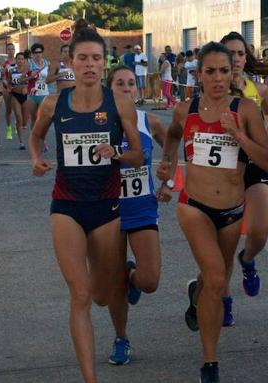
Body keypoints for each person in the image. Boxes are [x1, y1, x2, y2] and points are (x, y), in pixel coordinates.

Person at [28, 19, 143, 383]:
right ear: (71, 62)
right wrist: (36, 159)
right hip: (66, 206)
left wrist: (117, 153)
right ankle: (90, 378)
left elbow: (138, 155)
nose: (90, 65)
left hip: (107, 208)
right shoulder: (53, 103)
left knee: (102, 296)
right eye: (83, 58)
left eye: (96, 58)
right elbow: (35, 139)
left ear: (104, 63)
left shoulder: (120, 104)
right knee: (79, 294)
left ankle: (117, 275)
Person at [157, 42, 268, 383]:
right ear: (199, 74)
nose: (219, 78)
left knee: (215, 280)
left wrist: (237, 134)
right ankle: (210, 363)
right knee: (220, 281)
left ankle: (198, 294)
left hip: (232, 210)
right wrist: (167, 166)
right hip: (194, 206)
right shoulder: (185, 109)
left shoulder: (246, 108)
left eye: (224, 70)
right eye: (211, 71)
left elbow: (265, 161)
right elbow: (173, 137)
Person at [105, 65, 167, 365]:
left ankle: (131, 276)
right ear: (108, 89)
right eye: (119, 83)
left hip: (142, 208)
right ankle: (121, 338)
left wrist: (169, 182)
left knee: (150, 281)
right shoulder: (97, 124)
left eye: (131, 83)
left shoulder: (149, 121)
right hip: (109, 213)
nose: (127, 88)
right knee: (108, 287)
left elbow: (173, 148)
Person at [220, 31, 268, 326]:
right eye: (229, 54)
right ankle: (224, 301)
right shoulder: (212, 89)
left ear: (247, 57)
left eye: (240, 54)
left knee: (259, 233)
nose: (236, 59)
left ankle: (249, 259)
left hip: (254, 161)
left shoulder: (258, 89)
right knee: (223, 246)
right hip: (225, 168)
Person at [26, 43, 52, 131]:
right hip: (32, 95)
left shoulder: (47, 63)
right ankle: (33, 140)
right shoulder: (29, 64)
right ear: (33, 54)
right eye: (36, 52)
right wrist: (30, 77)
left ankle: (42, 140)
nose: (38, 54)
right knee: (34, 119)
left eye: (40, 52)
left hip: (44, 94)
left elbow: (50, 78)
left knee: (42, 119)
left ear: (42, 53)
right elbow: (22, 79)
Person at [7, 52, 30, 149]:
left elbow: (32, 83)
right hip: (15, 95)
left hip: (25, 96)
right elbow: (8, 82)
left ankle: (22, 125)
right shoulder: (12, 71)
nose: (20, 61)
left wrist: (27, 88)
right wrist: (9, 88)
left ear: (24, 60)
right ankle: (21, 142)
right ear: (16, 60)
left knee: (24, 121)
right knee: (18, 117)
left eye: (22, 59)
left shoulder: (28, 71)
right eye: (18, 59)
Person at [2, 43, 17, 140]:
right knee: (8, 109)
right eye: (9, 49)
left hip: (17, 87)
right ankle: (9, 129)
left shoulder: (19, 60)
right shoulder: (4, 63)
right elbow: (3, 76)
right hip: (7, 87)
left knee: (17, 108)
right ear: (6, 51)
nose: (11, 51)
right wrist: (7, 84)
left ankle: (17, 124)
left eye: (12, 49)